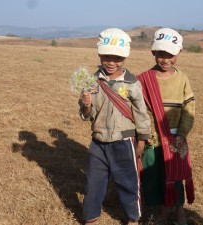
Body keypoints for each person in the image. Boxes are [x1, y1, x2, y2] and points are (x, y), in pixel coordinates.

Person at [79, 28, 151, 225]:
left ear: (124, 57)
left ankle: (133, 218)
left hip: (124, 139)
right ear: (100, 55)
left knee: (128, 182)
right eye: (106, 56)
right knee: (94, 182)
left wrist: (143, 140)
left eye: (117, 57)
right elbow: (86, 115)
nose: (111, 62)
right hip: (98, 140)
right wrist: (86, 104)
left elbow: (141, 113)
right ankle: (90, 217)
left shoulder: (132, 83)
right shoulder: (91, 81)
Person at [137, 28, 195, 225]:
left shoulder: (183, 79)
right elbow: (139, 109)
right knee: (155, 176)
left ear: (178, 53)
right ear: (153, 52)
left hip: (175, 138)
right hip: (152, 138)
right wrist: (146, 134)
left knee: (176, 176)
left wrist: (181, 134)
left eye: (170, 54)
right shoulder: (143, 79)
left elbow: (189, 108)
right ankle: (162, 212)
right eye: (161, 54)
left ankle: (179, 212)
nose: (165, 59)